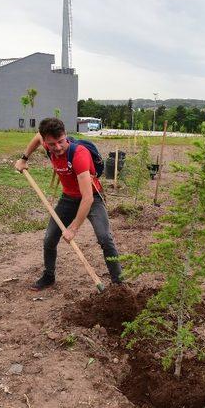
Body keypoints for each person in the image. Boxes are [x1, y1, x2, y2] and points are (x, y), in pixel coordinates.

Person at [14, 118, 122, 290]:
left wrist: (73, 228)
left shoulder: (79, 154)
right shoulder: (47, 144)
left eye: (61, 142)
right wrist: (24, 158)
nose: (57, 147)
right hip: (68, 199)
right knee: (50, 238)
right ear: (46, 141)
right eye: (52, 144)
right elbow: (36, 137)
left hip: (92, 198)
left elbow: (87, 199)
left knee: (105, 238)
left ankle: (119, 283)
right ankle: (49, 276)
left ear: (66, 136)